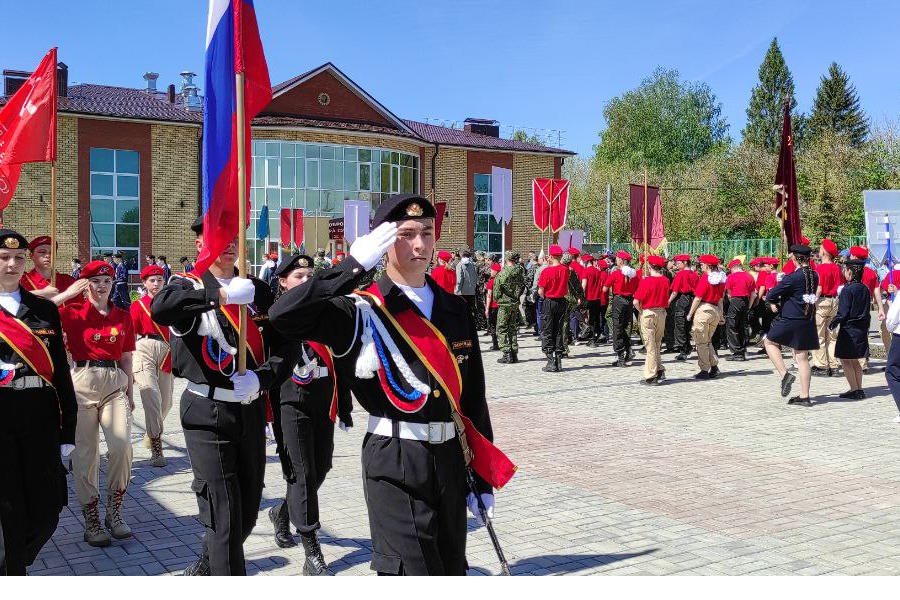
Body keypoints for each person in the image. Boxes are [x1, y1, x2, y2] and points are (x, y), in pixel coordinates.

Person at [268, 194, 514, 575]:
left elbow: (472, 398)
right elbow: (284, 315)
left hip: (450, 457)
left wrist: (481, 478)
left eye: (427, 233)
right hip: (395, 457)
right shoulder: (360, 310)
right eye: (406, 234)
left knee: (452, 570)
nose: (420, 244)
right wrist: (351, 265)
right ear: (383, 242)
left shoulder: (454, 309)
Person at [151, 218, 281, 576]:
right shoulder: (187, 285)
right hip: (206, 412)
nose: (228, 245)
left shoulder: (257, 289)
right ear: (200, 245)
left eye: (233, 238)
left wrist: (262, 378)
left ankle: (211, 561)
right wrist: (219, 295)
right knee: (223, 514)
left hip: (249, 408)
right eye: (217, 239)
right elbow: (161, 309)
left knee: (246, 513)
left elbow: (284, 344)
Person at [266, 254, 352, 576]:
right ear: (283, 282)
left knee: (322, 467)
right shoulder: (276, 316)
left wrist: (344, 405)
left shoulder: (325, 313)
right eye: (298, 276)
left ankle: (282, 511)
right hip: (291, 403)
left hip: (323, 401)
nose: (305, 280)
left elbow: (341, 362)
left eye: (309, 275)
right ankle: (312, 550)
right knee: (301, 474)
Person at [0, 229, 77, 575]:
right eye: (4, 258)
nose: (12, 264)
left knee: (48, 511)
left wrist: (68, 435)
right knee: (9, 507)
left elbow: (61, 375)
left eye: (18, 258)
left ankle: (16, 559)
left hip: (41, 416)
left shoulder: (44, 309)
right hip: (1, 418)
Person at [57, 260, 136, 547]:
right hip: (82, 383)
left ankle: (115, 511)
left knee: (121, 446)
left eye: (107, 281)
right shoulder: (72, 313)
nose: (102, 286)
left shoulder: (122, 316)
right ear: (85, 284)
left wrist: (129, 393)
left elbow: (127, 357)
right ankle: (91, 516)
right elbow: (38, 315)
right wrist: (66, 295)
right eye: (96, 281)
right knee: (86, 454)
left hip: (115, 382)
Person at [763, 244, 820, 406]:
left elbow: (772, 294)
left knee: (769, 342)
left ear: (795, 258)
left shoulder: (793, 277)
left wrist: (782, 283)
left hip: (791, 318)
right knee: (802, 358)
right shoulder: (814, 275)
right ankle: (805, 396)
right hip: (807, 318)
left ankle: (784, 374)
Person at [129, 265, 173, 467]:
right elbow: (131, 333)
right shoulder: (138, 305)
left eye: (159, 280)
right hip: (143, 347)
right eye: (152, 280)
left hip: (166, 349)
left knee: (166, 402)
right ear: (144, 283)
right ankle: (157, 445)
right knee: (151, 396)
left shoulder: (170, 304)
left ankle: (150, 430)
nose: (156, 284)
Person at [830, 259, 871, 399]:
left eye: (845, 270)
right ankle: (859, 388)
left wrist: (834, 322)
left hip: (849, 329)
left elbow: (843, 312)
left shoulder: (847, 289)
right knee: (855, 361)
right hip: (861, 328)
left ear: (850, 272)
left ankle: (854, 389)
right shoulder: (865, 288)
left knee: (846, 360)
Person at [686, 255, 726, 380]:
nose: (701, 266)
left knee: (701, 342)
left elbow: (698, 298)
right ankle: (714, 367)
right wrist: (721, 314)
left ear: (707, 266)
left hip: (704, 310)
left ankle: (704, 369)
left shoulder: (705, 278)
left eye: (702, 264)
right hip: (715, 310)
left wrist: (690, 313)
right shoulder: (720, 279)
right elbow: (720, 299)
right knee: (707, 340)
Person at [633, 255, 670, 385]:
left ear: (650, 266)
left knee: (650, 346)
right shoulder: (665, 280)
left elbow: (636, 301)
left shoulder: (646, 281)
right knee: (657, 343)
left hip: (648, 312)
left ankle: (651, 375)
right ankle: (660, 369)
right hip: (661, 313)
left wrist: (640, 311)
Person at [811, 239, 842, 375]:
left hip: (822, 301)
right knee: (832, 335)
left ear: (824, 253)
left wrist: (812, 301)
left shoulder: (820, 269)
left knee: (819, 335)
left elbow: (819, 288)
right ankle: (834, 365)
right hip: (834, 301)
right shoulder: (836, 268)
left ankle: (821, 365)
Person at [603, 251, 638, 367]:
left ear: (621, 261)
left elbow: (605, 289)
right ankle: (629, 350)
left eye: (617, 259)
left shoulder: (616, 273)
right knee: (627, 326)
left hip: (618, 301)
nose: (616, 260)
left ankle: (620, 357)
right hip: (629, 301)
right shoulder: (634, 274)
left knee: (617, 327)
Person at [538, 245, 569, 372]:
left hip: (549, 301)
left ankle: (550, 361)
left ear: (550, 256)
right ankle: (558, 360)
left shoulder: (546, 271)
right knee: (558, 330)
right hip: (561, 301)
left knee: (547, 331)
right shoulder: (566, 270)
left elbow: (541, 291)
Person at [20, 236, 77, 304]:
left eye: (52, 252)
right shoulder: (22, 281)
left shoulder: (68, 281)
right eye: (42, 252)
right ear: (31, 256)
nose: (48, 255)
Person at [495, 251, 525, 364]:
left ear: (507, 259)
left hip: (504, 304)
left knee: (502, 328)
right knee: (512, 328)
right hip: (514, 303)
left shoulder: (502, 274)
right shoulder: (520, 272)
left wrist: (498, 299)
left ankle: (507, 353)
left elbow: (496, 292)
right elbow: (523, 286)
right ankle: (513, 353)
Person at [724, 258, 757, 361]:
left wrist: (732, 303)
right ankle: (742, 350)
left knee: (732, 326)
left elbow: (729, 294)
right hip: (746, 301)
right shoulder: (749, 276)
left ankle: (736, 352)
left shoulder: (731, 277)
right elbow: (753, 294)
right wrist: (749, 306)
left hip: (735, 300)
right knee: (742, 326)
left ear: (734, 268)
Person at [581, 254, 606, 346]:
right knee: (595, 318)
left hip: (588, 298)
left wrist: (580, 297)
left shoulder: (586, 271)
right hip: (598, 298)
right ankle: (595, 337)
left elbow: (584, 285)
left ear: (586, 262)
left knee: (587, 317)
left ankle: (590, 337)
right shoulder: (598, 271)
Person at [455, 249, 477, 324]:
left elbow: (459, 279)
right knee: (470, 311)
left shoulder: (460, 265)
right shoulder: (472, 264)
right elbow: (475, 277)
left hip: (462, 292)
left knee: (462, 311)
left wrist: (457, 291)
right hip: (471, 291)